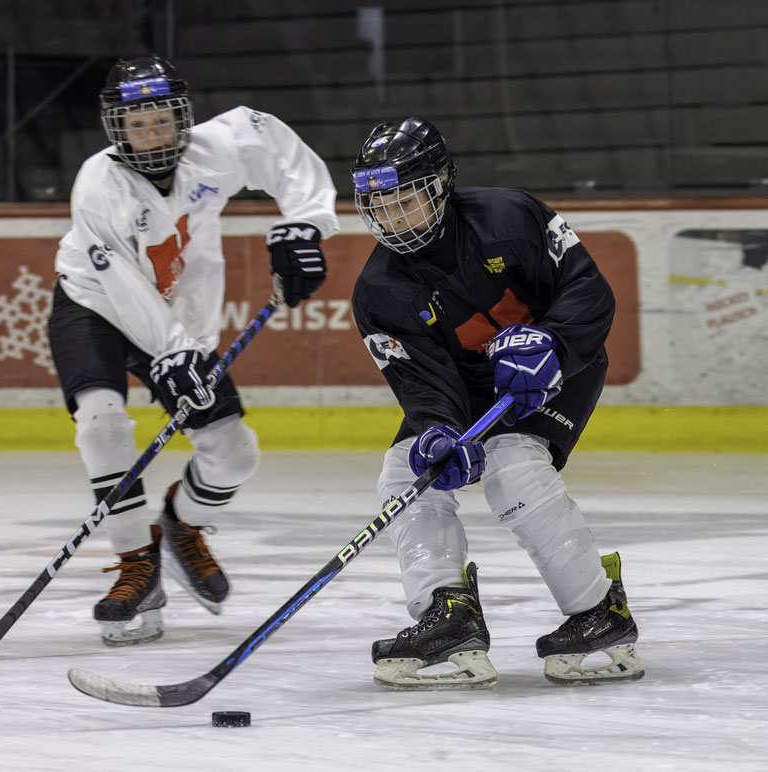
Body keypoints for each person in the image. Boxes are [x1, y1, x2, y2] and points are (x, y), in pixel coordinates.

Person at [48, 55, 338, 646]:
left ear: (183, 119)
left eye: (162, 120)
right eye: (138, 123)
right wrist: (173, 353)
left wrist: (306, 224)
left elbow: (278, 151)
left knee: (235, 452)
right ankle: (137, 565)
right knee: (102, 424)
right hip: (95, 306)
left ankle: (182, 527)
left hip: (181, 320)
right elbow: (124, 288)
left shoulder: (217, 145)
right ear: (116, 128)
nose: (152, 135)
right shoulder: (97, 185)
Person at [349, 116, 644, 688]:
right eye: (378, 205)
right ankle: (448, 612)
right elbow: (422, 382)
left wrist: (553, 342)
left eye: (403, 200)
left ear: (440, 186)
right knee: (407, 470)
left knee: (511, 464)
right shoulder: (379, 291)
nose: (390, 217)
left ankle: (598, 610)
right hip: (466, 390)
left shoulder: (512, 216)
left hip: (558, 366)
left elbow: (588, 288)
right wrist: (437, 429)